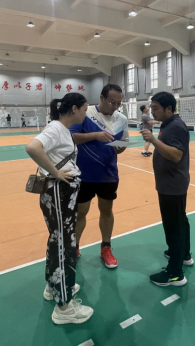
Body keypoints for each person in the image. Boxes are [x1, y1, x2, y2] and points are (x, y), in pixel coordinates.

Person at [25, 93, 94, 325]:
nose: (85, 114)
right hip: (59, 193)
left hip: (62, 195)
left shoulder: (63, 129)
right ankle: (64, 306)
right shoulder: (56, 128)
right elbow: (32, 147)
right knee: (64, 243)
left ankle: (54, 286)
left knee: (58, 240)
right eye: (84, 109)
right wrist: (55, 172)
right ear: (74, 108)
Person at [71, 84, 129, 270]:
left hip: (108, 174)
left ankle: (106, 248)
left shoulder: (121, 119)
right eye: (112, 102)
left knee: (106, 211)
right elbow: (72, 137)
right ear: (101, 98)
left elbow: (124, 142)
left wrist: (120, 147)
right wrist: (95, 135)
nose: (115, 106)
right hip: (83, 174)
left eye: (119, 103)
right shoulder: (85, 113)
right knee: (81, 212)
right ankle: (74, 247)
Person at [141, 92, 192, 287]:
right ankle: (183, 254)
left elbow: (176, 155)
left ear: (169, 109)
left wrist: (154, 141)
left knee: (173, 227)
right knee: (180, 221)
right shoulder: (169, 124)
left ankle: (175, 274)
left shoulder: (175, 126)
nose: (152, 112)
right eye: (151, 108)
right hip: (171, 183)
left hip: (172, 185)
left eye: (155, 108)